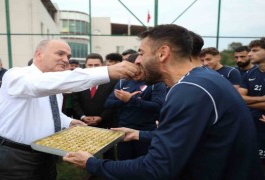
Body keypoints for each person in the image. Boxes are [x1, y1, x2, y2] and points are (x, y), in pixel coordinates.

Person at [63, 24, 264, 180]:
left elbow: (156, 168)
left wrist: (92, 164)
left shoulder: (190, 90)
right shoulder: (202, 80)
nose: (138, 61)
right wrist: (139, 134)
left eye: (141, 53)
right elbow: (191, 136)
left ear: (162, 53)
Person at [0, 39, 141, 180]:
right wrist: (106, 71)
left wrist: (69, 121)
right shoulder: (17, 75)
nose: (66, 59)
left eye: (68, 56)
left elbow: (48, 112)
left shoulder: (55, 81)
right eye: (60, 53)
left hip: (46, 152)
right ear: (38, 54)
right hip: (14, 155)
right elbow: (39, 84)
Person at [105, 53, 166, 160]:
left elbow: (158, 106)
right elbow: (108, 104)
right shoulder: (122, 82)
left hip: (144, 131)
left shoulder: (156, 83)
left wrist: (132, 100)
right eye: (133, 69)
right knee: (123, 163)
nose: (135, 72)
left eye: (139, 68)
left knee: (144, 164)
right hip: (123, 130)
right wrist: (124, 101)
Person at [72, 53, 117, 161]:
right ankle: (89, 171)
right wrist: (82, 116)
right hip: (84, 123)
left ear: (102, 65)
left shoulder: (113, 81)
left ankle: (108, 172)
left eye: (96, 65)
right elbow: (75, 101)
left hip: (106, 122)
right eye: (90, 65)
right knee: (86, 151)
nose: (93, 68)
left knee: (108, 151)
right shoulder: (77, 81)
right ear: (85, 65)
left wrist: (101, 117)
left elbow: (114, 102)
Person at [238, 37, 265, 171]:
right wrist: (261, 99)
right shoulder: (250, 73)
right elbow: (239, 98)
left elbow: (243, 100)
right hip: (251, 124)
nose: (249, 54)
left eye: (255, 50)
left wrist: (247, 101)